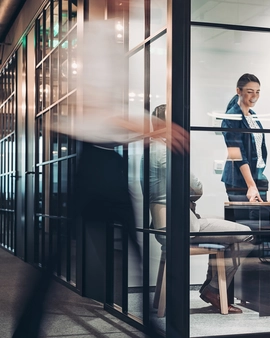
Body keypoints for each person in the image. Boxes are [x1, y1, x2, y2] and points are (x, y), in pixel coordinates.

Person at [11, 19, 187, 338]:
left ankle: (151, 327)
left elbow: (108, 123)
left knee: (120, 244)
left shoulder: (110, 39)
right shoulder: (96, 39)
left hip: (105, 158)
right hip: (95, 161)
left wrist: (139, 132)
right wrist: (153, 127)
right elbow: (98, 116)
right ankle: (154, 328)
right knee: (112, 244)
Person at [147, 104, 253, 314]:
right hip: (184, 224)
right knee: (245, 234)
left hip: (162, 225)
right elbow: (197, 188)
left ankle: (209, 287)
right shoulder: (168, 152)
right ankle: (213, 288)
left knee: (221, 233)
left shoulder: (149, 150)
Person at [221, 73, 269, 203]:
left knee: (261, 221)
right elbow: (237, 153)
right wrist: (251, 185)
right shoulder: (231, 117)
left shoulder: (253, 116)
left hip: (257, 176)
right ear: (238, 91)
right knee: (244, 222)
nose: (255, 96)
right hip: (240, 180)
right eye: (250, 91)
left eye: (258, 92)